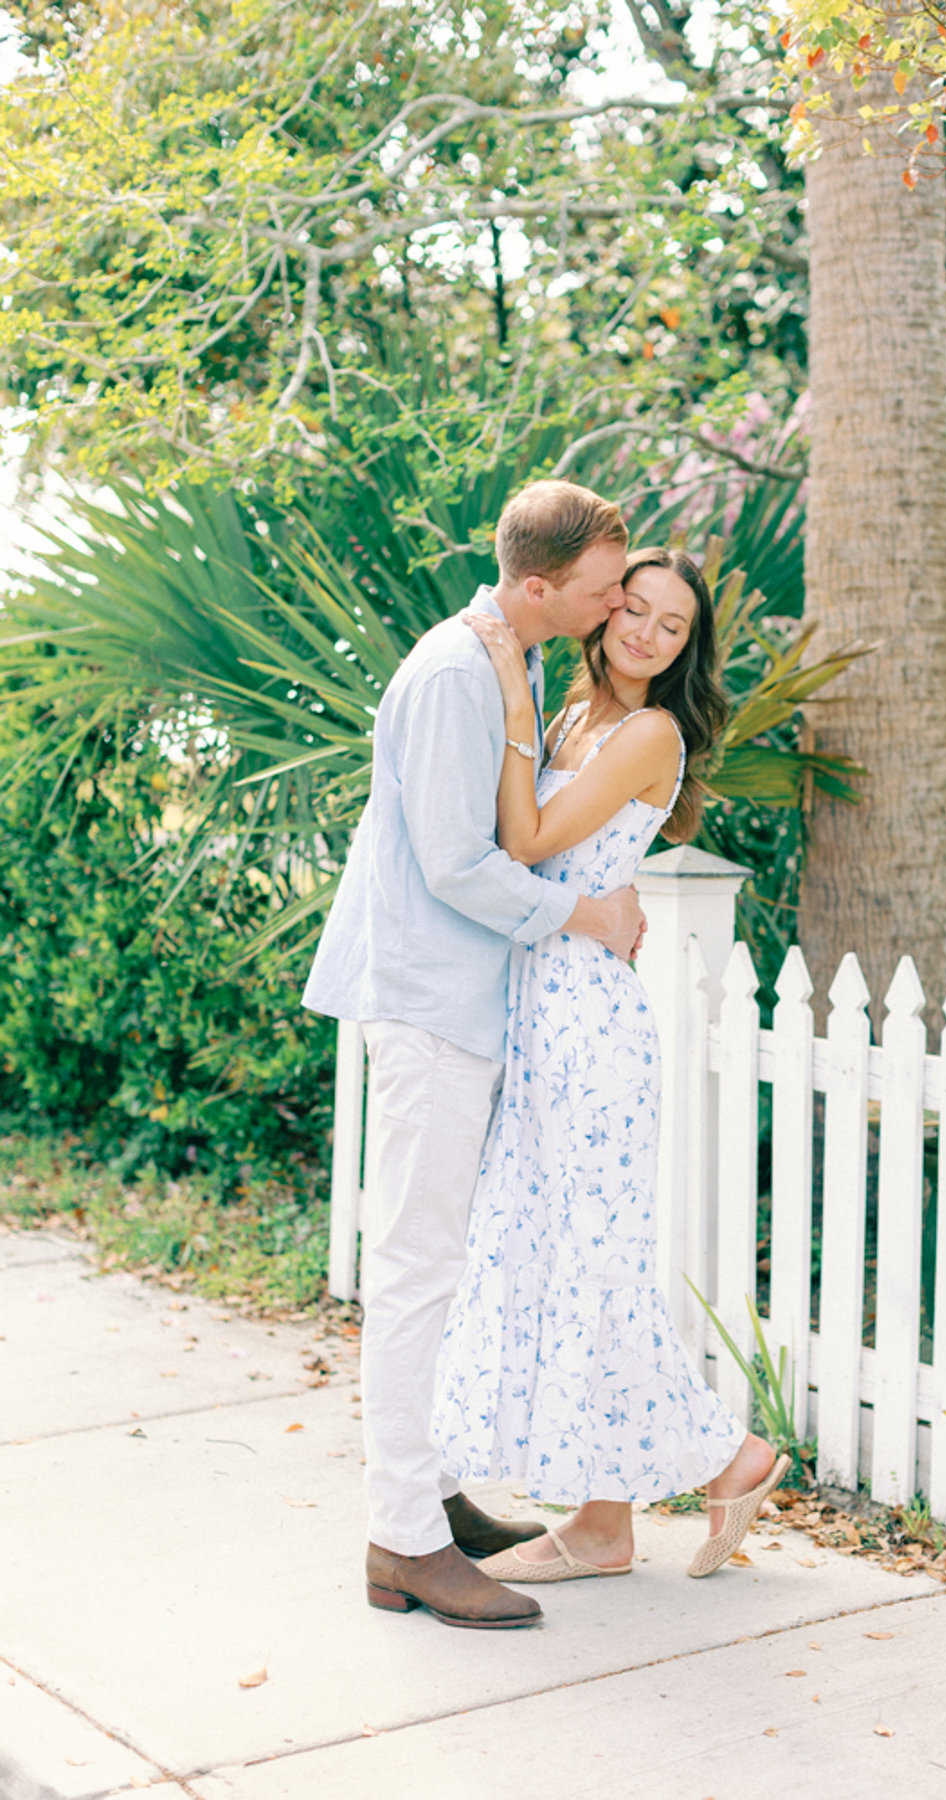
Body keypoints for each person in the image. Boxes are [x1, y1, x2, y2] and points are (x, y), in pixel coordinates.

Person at [303, 481, 647, 1629]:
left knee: (437, 1262)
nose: (618, 602)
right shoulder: (461, 670)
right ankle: (401, 1543)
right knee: (415, 1269)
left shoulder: (514, 654)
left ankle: (433, 1499)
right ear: (541, 583)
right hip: (431, 1001)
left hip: (459, 998)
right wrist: (585, 917)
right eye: (605, 586)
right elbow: (457, 860)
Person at [433, 547, 789, 1584]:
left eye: (671, 627)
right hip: (540, 1015)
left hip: (589, 1026)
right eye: (635, 608)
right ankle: (606, 1520)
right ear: (604, 608)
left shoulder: (647, 733)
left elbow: (527, 837)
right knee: (558, 1262)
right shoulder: (576, 714)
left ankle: (718, 1465)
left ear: (686, 650)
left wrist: (505, 692)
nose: (645, 632)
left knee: (597, 1266)